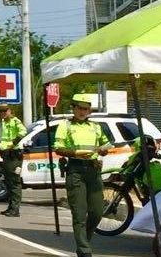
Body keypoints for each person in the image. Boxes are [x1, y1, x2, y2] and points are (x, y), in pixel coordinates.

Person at [54, 95, 111, 257]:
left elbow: (105, 145)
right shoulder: (65, 125)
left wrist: (103, 150)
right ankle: (84, 250)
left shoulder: (95, 126)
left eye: (85, 108)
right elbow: (58, 148)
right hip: (75, 170)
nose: (82, 111)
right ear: (73, 108)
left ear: (89, 111)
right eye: (79, 108)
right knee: (79, 213)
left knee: (97, 212)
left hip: (93, 171)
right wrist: (75, 153)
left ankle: (84, 239)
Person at [0, 104, 27, 217]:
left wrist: (13, 143)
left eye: (5, 111)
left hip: (14, 155)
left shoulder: (15, 121)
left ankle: (15, 209)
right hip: (7, 155)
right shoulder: (4, 122)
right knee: (9, 182)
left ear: (10, 111)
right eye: (1, 111)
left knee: (15, 183)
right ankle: (10, 207)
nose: (3, 113)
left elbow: (23, 132)